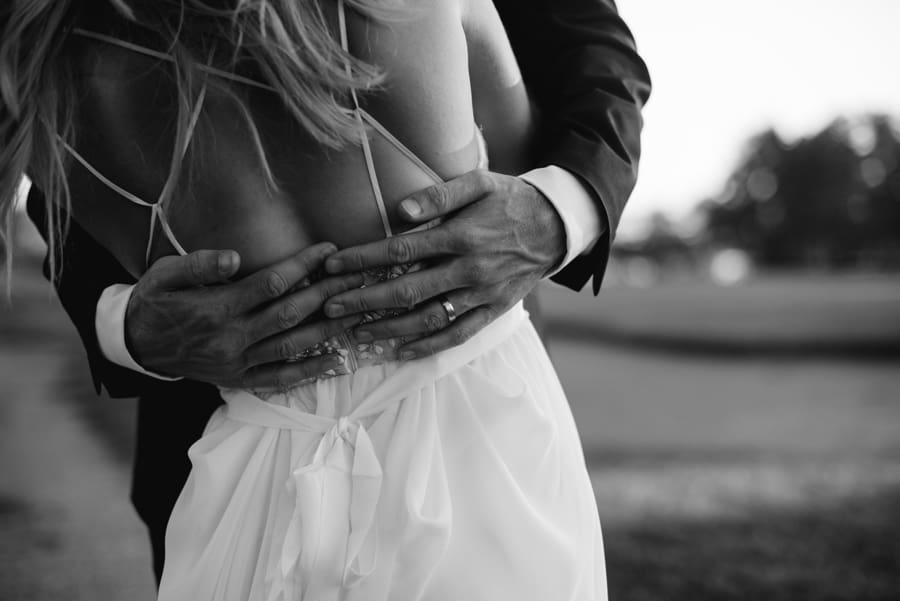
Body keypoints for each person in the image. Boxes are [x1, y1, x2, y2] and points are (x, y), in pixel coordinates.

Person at [4, 0, 650, 596]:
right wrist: (127, 326)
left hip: (249, 451)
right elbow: (512, 146)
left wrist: (559, 211)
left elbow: (64, 207)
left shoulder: (33, 73)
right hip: (473, 416)